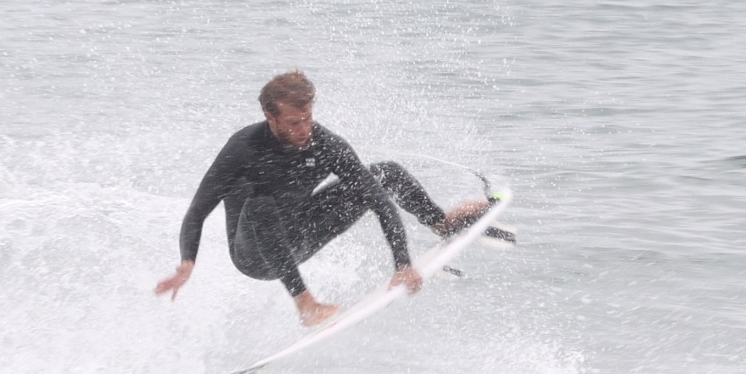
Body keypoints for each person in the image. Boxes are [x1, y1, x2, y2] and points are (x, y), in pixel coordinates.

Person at [154, 70, 502, 326]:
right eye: (292, 122)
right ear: (269, 117)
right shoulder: (243, 149)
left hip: (303, 235)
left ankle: (441, 223)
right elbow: (198, 211)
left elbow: (379, 201)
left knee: (386, 173)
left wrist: (402, 264)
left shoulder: (325, 144)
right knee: (260, 203)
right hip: (255, 255)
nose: (303, 130)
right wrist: (188, 261)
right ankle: (305, 303)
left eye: (307, 119)